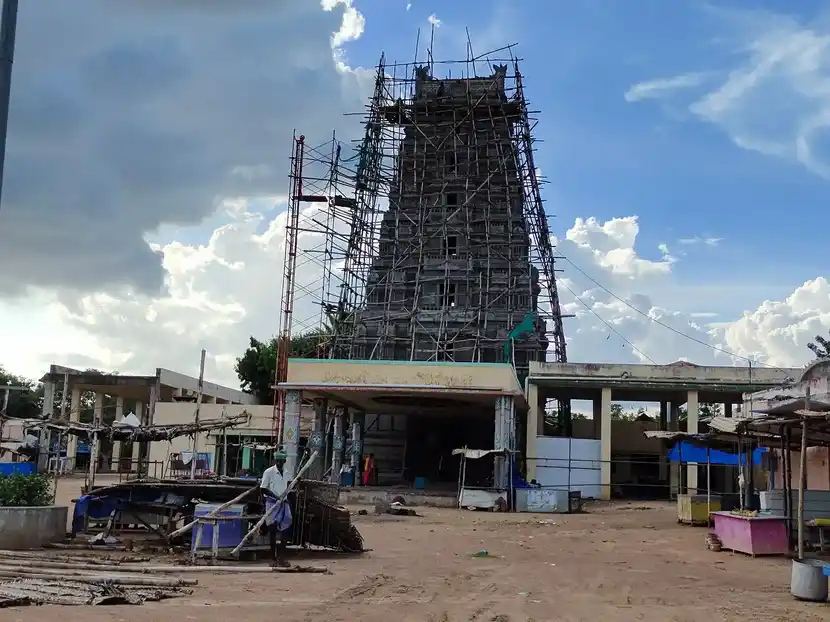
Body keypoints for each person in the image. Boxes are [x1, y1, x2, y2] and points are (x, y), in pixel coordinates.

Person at [260, 450, 293, 567]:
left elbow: (288, 488)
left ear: (284, 461)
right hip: (272, 504)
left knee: (285, 530)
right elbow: (263, 488)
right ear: (275, 461)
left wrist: (286, 498)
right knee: (273, 531)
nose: (279, 463)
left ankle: (281, 558)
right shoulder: (268, 472)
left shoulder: (288, 473)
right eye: (277, 461)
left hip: (283, 503)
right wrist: (275, 496)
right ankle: (273, 558)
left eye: (281, 461)